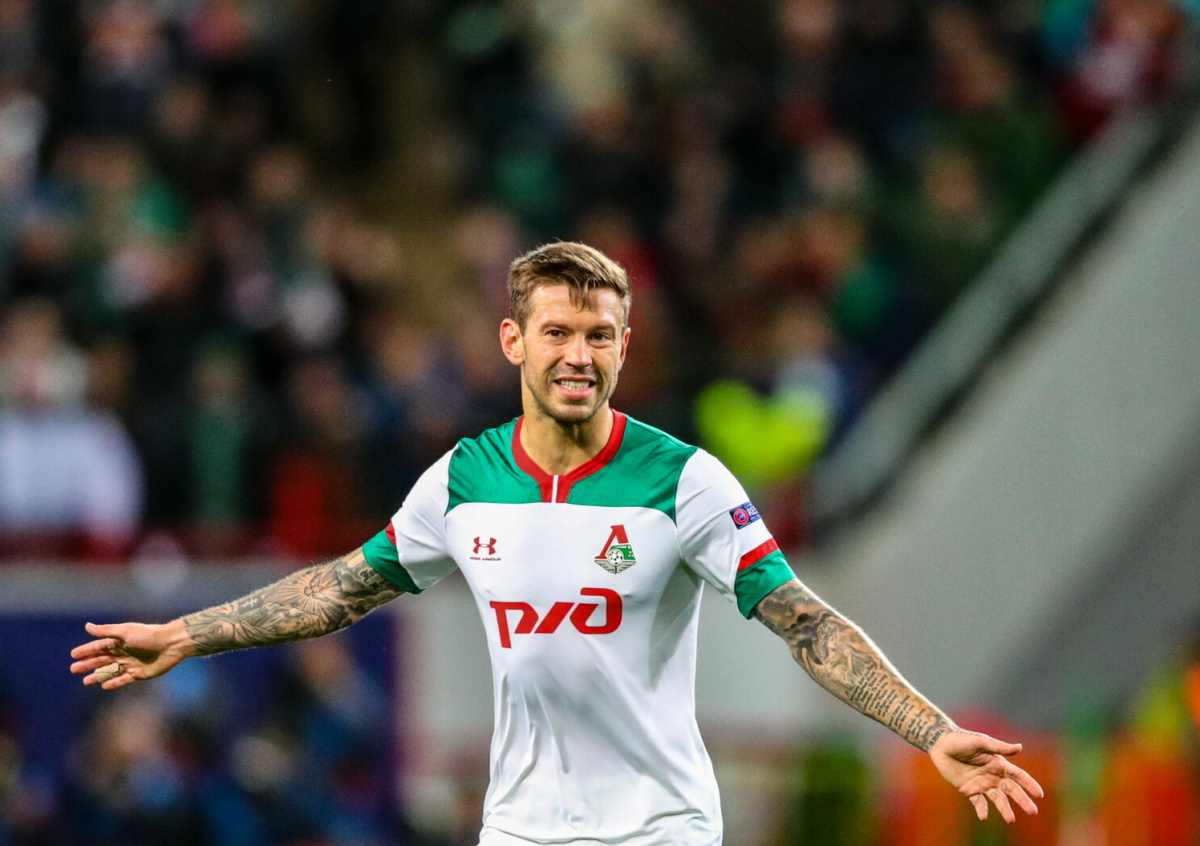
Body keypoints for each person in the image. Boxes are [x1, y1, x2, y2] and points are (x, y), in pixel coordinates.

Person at [71, 242, 1043, 845]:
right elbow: (342, 588)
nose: (579, 354)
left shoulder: (683, 481)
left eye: (600, 335)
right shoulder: (463, 480)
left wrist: (931, 731)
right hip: (521, 828)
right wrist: (185, 635)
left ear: (624, 346)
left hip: (660, 829)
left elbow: (806, 623)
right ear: (514, 342)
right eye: (559, 332)